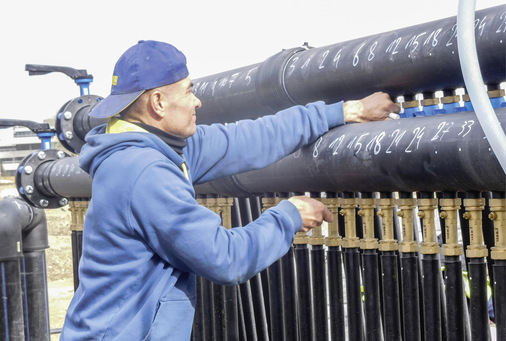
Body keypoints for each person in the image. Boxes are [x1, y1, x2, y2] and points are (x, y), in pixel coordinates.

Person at [60, 40, 400, 340]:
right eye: (189, 90)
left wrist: (343, 111)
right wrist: (288, 216)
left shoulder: (155, 148)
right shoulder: (143, 171)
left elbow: (249, 138)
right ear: (159, 102)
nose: (197, 102)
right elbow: (224, 258)